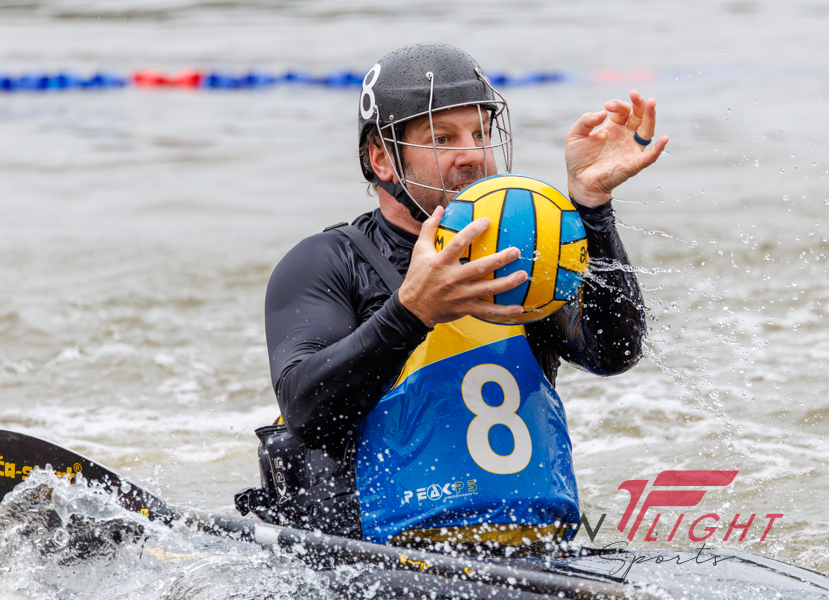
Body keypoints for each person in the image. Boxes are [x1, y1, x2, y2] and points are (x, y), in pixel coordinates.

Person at [249, 43, 667, 548]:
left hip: (536, 550)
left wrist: (592, 208)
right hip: (378, 558)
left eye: (481, 133)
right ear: (382, 158)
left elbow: (613, 354)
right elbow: (307, 413)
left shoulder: (524, 252)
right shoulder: (328, 262)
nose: (473, 155)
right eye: (442, 138)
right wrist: (410, 312)